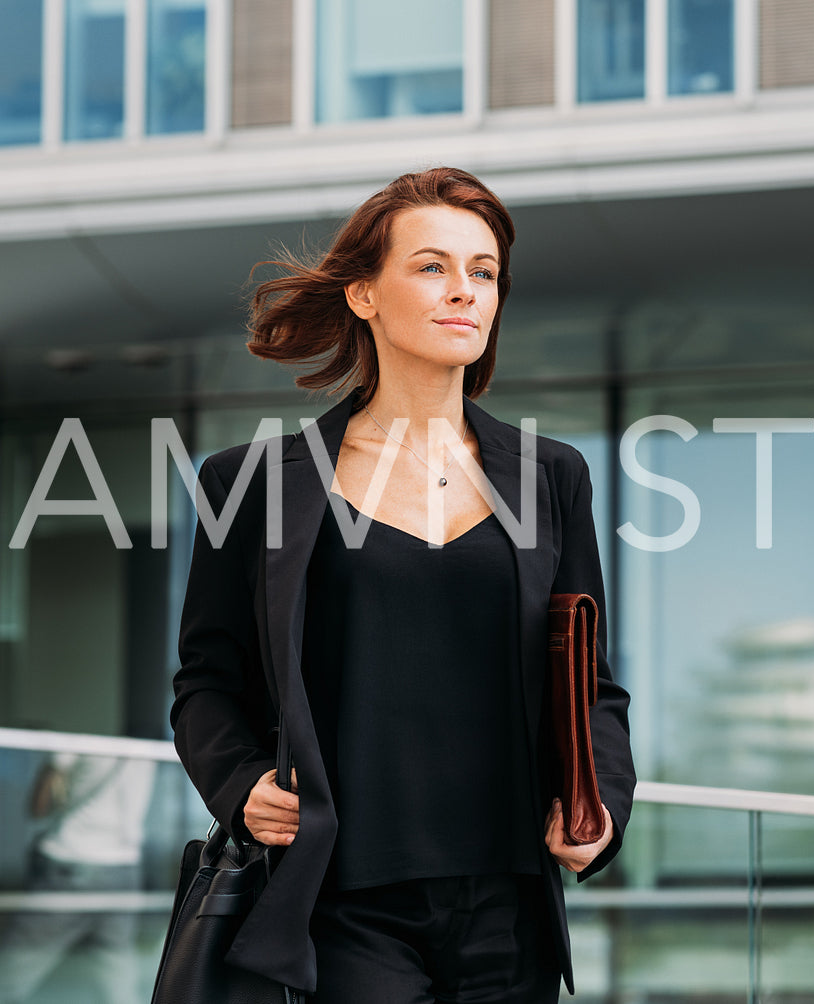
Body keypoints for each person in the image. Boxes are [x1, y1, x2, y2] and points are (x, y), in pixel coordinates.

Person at [170, 166, 636, 1002]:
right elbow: (206, 682)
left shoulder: (549, 477)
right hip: (342, 901)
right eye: (431, 267)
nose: (464, 291)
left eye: (483, 272)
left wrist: (599, 804)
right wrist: (240, 785)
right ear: (363, 296)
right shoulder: (254, 483)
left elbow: (592, 685)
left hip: (511, 900)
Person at [0, 753, 157, 1004]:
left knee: (5, 977)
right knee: (116, 981)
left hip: (72, 862)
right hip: (125, 868)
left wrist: (52, 764)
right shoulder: (145, 749)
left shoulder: (75, 742)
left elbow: (38, 807)